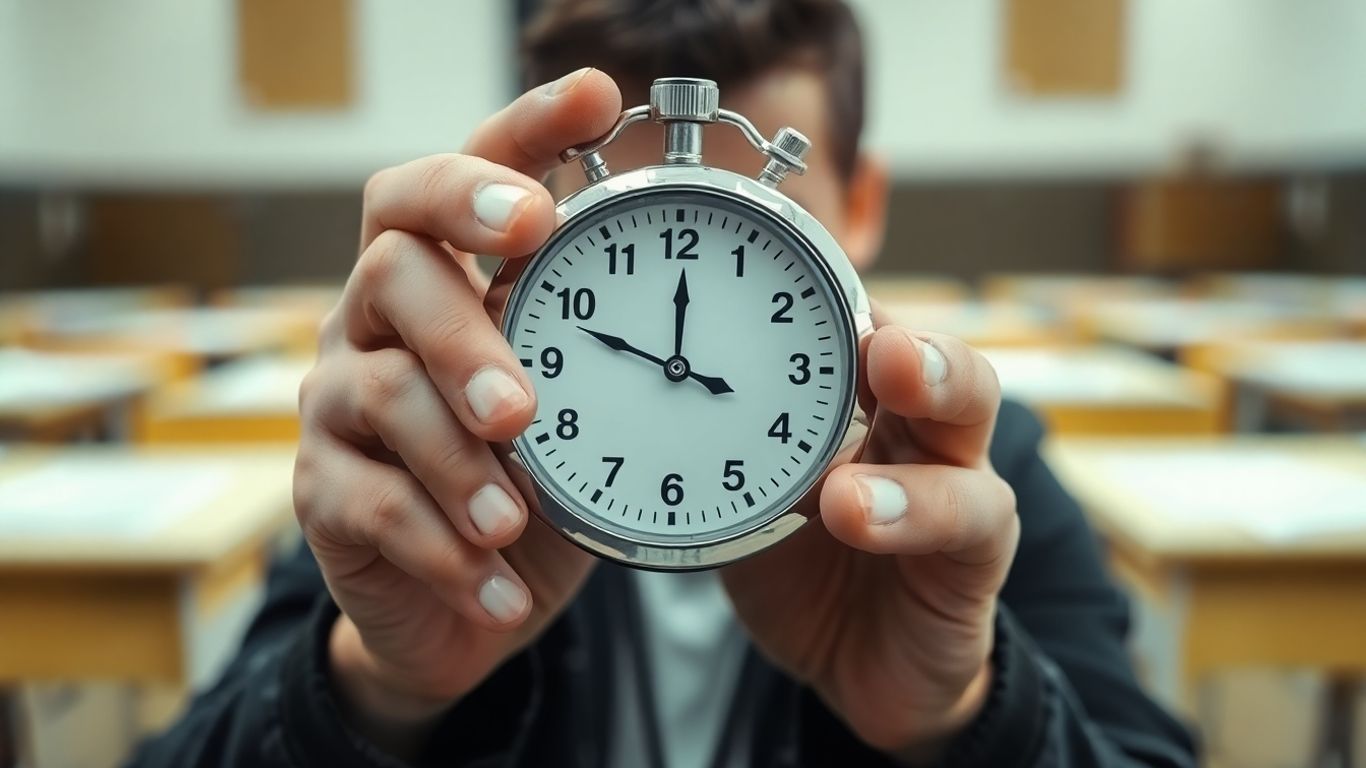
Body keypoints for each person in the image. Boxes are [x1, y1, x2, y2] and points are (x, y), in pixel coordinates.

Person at [128, 1, 1197, 766]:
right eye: (614, 240)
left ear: (857, 209)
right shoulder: (437, 475)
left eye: (748, 240)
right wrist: (369, 687)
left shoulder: (976, 482)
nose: (677, 349)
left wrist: (960, 718)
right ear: (536, 221)